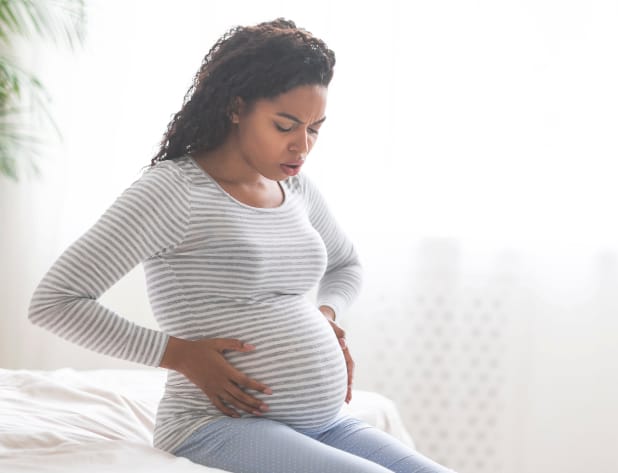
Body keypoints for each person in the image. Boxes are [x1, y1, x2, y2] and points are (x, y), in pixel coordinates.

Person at [28, 17, 454, 473]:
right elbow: (55, 302)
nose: (302, 146)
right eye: (285, 125)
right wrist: (178, 355)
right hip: (215, 423)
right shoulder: (174, 192)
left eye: (314, 128)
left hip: (325, 421)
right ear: (236, 108)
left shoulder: (295, 187)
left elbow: (346, 264)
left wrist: (325, 315)